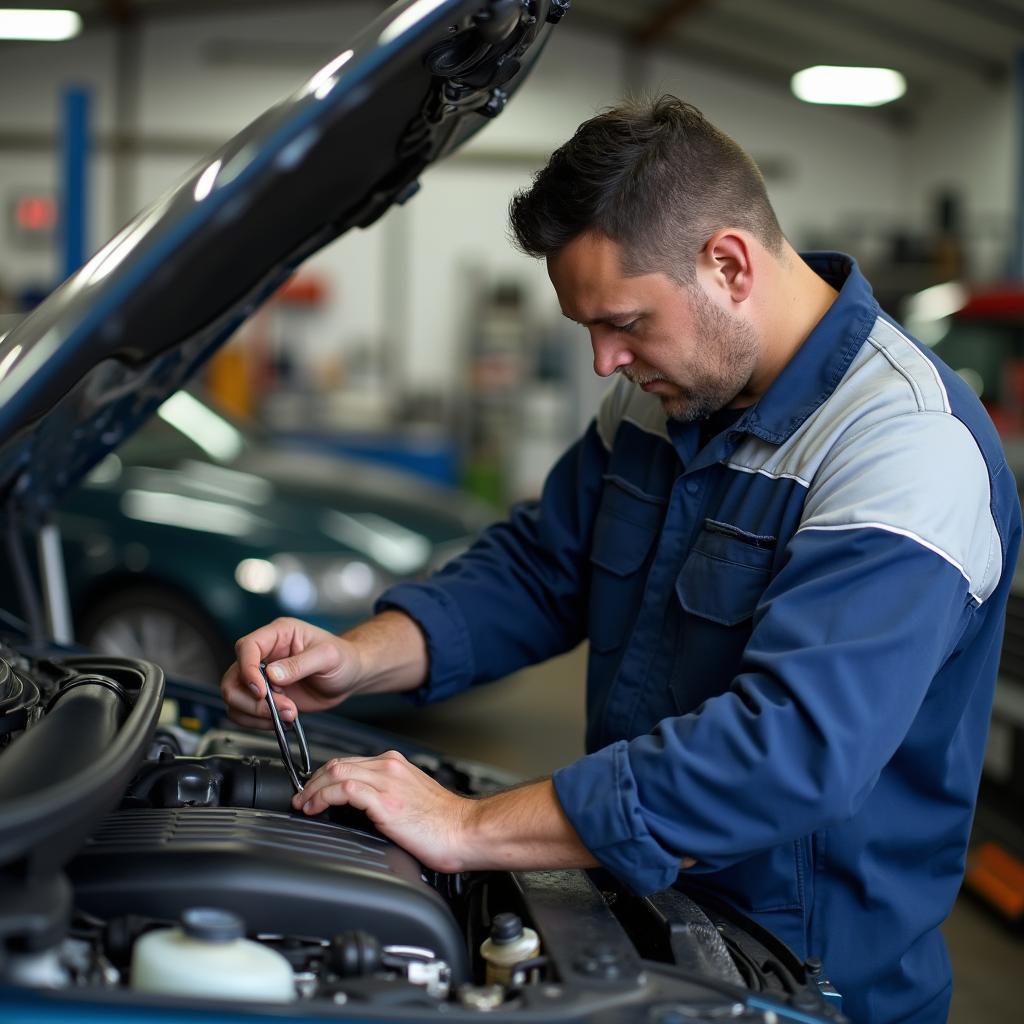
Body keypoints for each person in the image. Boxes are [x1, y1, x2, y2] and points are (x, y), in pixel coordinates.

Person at [221, 96, 1021, 1024]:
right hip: (646, 928)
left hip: (810, 984)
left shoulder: (904, 448)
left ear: (728, 264)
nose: (605, 362)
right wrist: (359, 657)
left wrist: (468, 824)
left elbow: (788, 751)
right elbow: (541, 567)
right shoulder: (666, 395)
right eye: (589, 329)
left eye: (626, 323)